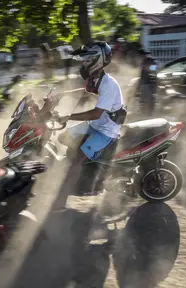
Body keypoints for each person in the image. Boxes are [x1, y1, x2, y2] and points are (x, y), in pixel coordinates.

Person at [52, 41, 124, 205]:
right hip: (97, 125)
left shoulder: (108, 84)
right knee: (63, 137)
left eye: (86, 60)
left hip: (106, 131)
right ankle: (80, 171)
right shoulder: (95, 79)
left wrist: (68, 117)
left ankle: (60, 203)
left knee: (76, 161)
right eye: (83, 60)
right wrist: (63, 94)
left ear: (97, 61)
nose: (83, 63)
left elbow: (95, 113)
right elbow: (85, 93)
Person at [139, 49, 158, 116]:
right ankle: (147, 114)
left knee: (146, 101)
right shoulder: (148, 61)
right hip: (147, 84)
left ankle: (147, 114)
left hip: (147, 84)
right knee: (148, 101)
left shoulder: (148, 61)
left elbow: (152, 73)